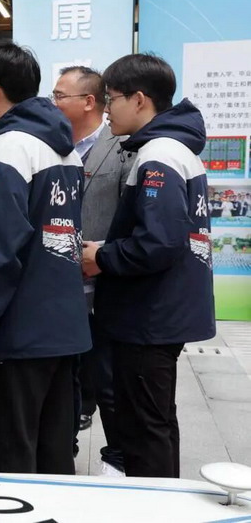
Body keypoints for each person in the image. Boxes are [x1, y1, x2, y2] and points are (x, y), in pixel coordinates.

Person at [0, 41, 91, 474]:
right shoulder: (65, 150)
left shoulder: (6, 151)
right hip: (62, 329)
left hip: (15, 333)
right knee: (52, 456)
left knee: (6, 457)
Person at [82, 53, 215, 478]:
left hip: (149, 316)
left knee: (143, 430)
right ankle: (164, 499)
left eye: (112, 98)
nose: (107, 110)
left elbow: (159, 243)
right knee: (156, 421)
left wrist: (101, 257)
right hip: (161, 311)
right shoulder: (173, 149)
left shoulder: (158, 155)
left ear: (139, 99)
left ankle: (154, 502)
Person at [53, 66, 131, 474]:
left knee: (108, 382)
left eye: (59, 95)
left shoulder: (122, 148)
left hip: (104, 290)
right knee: (61, 380)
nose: (53, 103)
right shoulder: (51, 146)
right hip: (58, 291)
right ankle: (60, 448)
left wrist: (102, 257)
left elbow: (130, 220)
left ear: (88, 102)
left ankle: (117, 460)